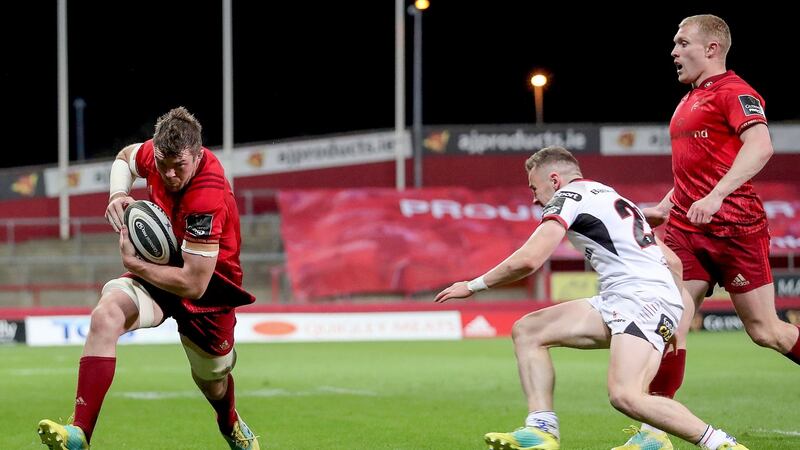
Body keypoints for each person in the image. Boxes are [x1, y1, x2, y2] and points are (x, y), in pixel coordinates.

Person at [435, 146, 748, 450]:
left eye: (534, 187)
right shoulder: (609, 195)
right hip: (636, 297)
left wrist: (473, 285)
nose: (534, 198)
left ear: (555, 180)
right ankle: (542, 428)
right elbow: (672, 261)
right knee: (528, 331)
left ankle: (720, 443)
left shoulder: (567, 197)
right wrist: (673, 317)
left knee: (625, 396)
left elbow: (529, 260)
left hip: (638, 298)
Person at [615, 14, 800, 450]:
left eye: (682, 43)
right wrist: (665, 205)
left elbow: (762, 146)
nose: (674, 51)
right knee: (672, 321)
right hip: (685, 229)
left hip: (736, 228)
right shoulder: (689, 99)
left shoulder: (736, 92)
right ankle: (653, 432)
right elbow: (695, 168)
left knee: (766, 332)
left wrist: (716, 196)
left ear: (711, 48)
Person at [36, 107, 260, 450]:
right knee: (105, 315)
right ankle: (79, 433)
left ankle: (229, 421)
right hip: (160, 273)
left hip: (209, 290)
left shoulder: (207, 195)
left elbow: (193, 284)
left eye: (179, 166)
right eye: (162, 163)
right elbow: (125, 158)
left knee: (212, 380)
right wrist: (117, 193)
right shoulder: (157, 157)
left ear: (198, 156)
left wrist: (134, 264)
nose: (168, 174)